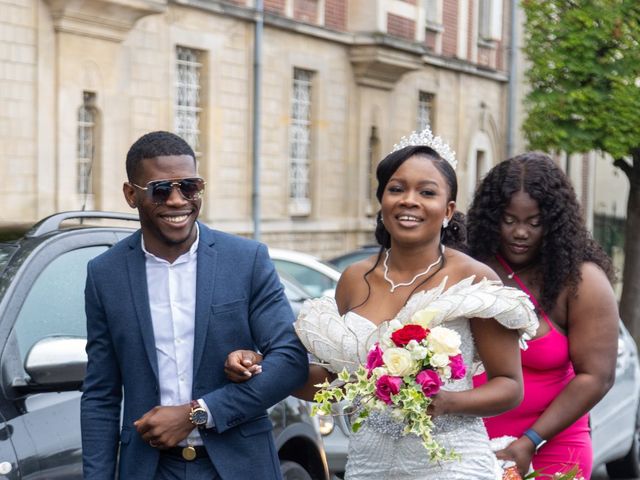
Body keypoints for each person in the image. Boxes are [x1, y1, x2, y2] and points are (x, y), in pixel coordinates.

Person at [225, 128, 539, 479]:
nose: (409, 200)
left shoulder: (474, 279)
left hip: (451, 462)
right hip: (368, 463)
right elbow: (336, 380)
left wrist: (448, 402)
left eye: (427, 192)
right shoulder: (354, 279)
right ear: (382, 201)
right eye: (396, 189)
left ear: (448, 209)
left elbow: (510, 386)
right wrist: (261, 368)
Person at [80, 131, 309, 480]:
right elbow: (101, 394)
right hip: (149, 468)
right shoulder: (104, 274)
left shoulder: (246, 260)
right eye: (160, 189)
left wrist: (197, 413)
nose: (177, 200)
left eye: (189, 187)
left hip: (240, 466)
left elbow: (290, 362)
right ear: (131, 194)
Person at [469, 152, 619, 479]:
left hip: (553, 444)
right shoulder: (469, 267)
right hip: (466, 446)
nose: (520, 232)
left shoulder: (580, 280)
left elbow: (597, 376)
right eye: (509, 220)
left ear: (554, 222)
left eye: (534, 222)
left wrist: (530, 441)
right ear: (491, 217)